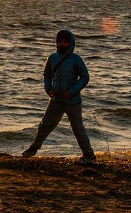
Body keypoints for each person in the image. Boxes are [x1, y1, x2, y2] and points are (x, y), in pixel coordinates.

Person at [22, 29, 96, 163]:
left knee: (78, 129)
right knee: (45, 126)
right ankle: (32, 150)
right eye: (60, 42)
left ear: (70, 43)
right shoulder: (52, 58)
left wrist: (72, 91)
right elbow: (47, 76)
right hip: (55, 99)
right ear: (56, 43)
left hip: (73, 101)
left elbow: (85, 77)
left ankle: (89, 155)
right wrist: (48, 89)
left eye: (65, 42)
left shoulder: (75, 59)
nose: (62, 44)